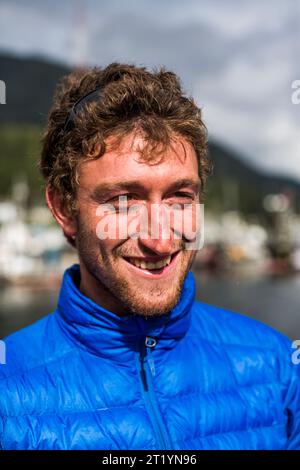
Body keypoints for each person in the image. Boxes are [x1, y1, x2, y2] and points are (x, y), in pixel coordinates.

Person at [0, 63, 299, 450]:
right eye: (124, 201)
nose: (160, 241)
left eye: (180, 197)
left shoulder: (276, 367)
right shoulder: (9, 397)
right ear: (64, 209)